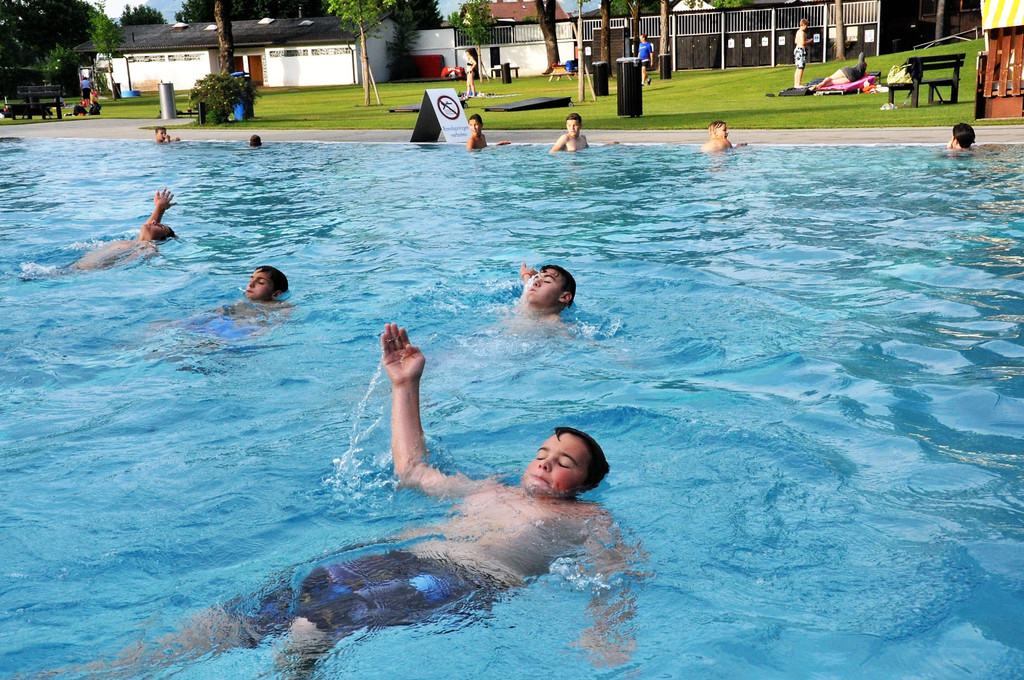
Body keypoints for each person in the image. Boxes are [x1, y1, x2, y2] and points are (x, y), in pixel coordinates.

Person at [80, 324, 635, 674]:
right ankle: (111, 669)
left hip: (468, 579)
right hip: (396, 558)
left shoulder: (590, 519)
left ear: (585, 484)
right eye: (543, 452)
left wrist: (604, 632)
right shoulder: (488, 489)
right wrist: (405, 386)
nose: (546, 462)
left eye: (565, 463)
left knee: (313, 626)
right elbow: (412, 471)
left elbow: (617, 573)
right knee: (245, 615)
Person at [71, 189, 177, 270]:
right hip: (73, 267)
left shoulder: (148, 249)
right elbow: (149, 227)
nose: (154, 222)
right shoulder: (135, 242)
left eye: (160, 226)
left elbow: (120, 266)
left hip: (84, 273)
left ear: (161, 239)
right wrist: (159, 208)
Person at [793, 19, 811, 88]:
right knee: (801, 67)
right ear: (803, 25)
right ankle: (798, 84)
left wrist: (805, 40)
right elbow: (803, 43)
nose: (806, 27)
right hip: (801, 50)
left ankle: (796, 83)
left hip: (797, 49)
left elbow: (796, 41)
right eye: (806, 26)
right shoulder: (802, 33)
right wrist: (809, 41)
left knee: (798, 67)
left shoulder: (798, 32)